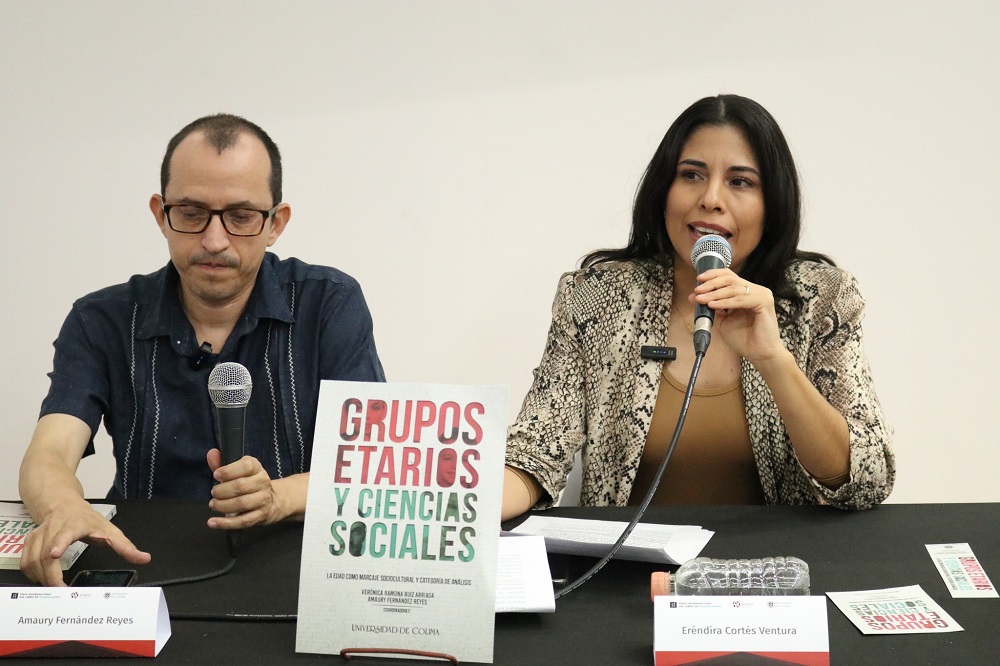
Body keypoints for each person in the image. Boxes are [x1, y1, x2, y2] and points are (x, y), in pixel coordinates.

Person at [18, 114, 385, 585]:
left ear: (276, 223)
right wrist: (65, 508)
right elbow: (48, 452)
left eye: (241, 216)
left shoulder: (329, 304)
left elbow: (373, 465)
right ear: (161, 215)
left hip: (295, 563)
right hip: (144, 564)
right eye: (191, 214)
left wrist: (279, 497)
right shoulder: (102, 319)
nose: (214, 241)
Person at [502, 94, 894, 521]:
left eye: (740, 182)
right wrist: (462, 505)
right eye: (691, 175)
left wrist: (774, 360)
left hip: (773, 561)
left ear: (772, 204)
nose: (711, 199)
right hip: (627, 560)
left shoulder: (820, 299)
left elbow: (868, 479)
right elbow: (535, 453)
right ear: (663, 191)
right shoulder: (596, 296)